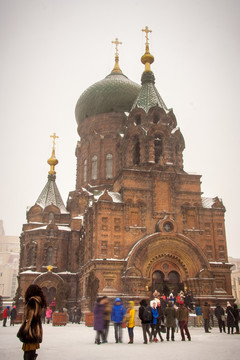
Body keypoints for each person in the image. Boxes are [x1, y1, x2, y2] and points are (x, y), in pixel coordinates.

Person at [17, 284, 47, 360]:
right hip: (35, 330)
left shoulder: (32, 302)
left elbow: (30, 318)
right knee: (31, 352)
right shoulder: (38, 302)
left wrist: (24, 331)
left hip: (30, 331)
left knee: (28, 354)